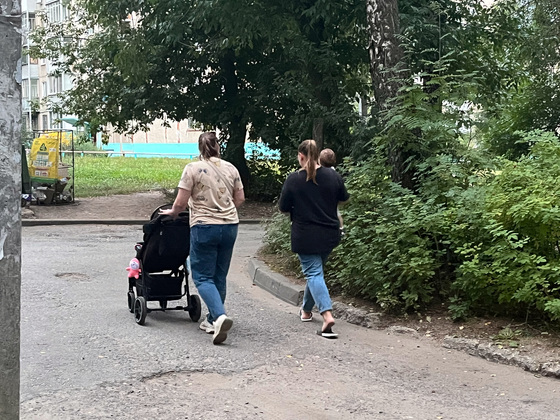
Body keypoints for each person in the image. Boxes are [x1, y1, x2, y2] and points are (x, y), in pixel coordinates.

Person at [160, 132, 245, 345]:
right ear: (218, 147)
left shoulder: (192, 169)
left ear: (200, 148)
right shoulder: (231, 168)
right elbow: (240, 198)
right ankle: (212, 319)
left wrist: (173, 212)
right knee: (219, 275)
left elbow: (181, 202)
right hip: (230, 226)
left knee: (202, 277)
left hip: (204, 226)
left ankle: (219, 316)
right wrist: (225, 211)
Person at [279, 139, 349, 339]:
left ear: (301, 156)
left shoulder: (294, 179)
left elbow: (283, 208)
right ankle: (306, 310)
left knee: (314, 274)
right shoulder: (333, 176)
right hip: (330, 234)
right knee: (315, 273)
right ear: (318, 155)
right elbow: (344, 198)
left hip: (305, 235)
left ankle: (327, 315)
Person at [319, 148, 344, 232]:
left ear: (320, 160)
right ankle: (341, 229)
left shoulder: (320, 173)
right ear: (334, 161)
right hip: (333, 200)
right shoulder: (335, 173)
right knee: (337, 213)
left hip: (324, 201)